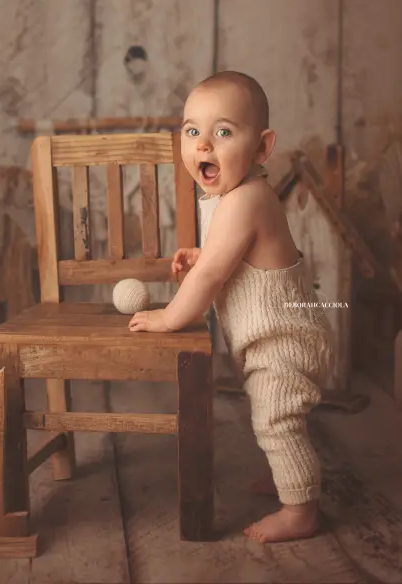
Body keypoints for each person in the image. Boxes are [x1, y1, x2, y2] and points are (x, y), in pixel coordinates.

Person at [128, 70, 333, 544]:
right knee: (272, 418)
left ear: (261, 148)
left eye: (222, 132)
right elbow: (235, 255)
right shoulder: (230, 197)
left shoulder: (247, 199)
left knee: (275, 420)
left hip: (285, 341)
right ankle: (289, 477)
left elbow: (211, 277)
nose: (203, 144)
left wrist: (169, 317)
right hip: (269, 336)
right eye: (192, 131)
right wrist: (204, 254)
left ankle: (301, 511)